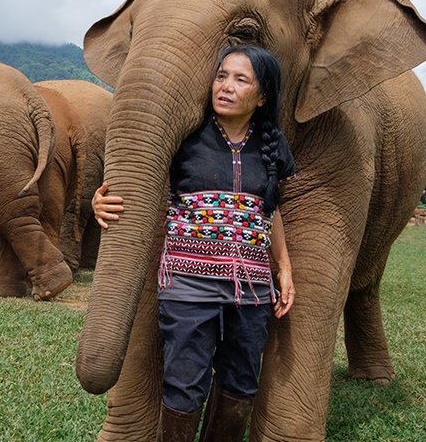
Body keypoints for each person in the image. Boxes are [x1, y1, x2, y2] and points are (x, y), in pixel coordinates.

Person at [92, 44, 295, 441]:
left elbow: (271, 214)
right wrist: (99, 202)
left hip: (252, 290)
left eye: (240, 80)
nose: (226, 87)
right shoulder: (188, 136)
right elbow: (138, 178)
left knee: (240, 382)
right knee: (185, 381)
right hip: (188, 284)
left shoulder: (272, 145)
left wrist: (284, 268)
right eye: (221, 76)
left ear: (262, 95)